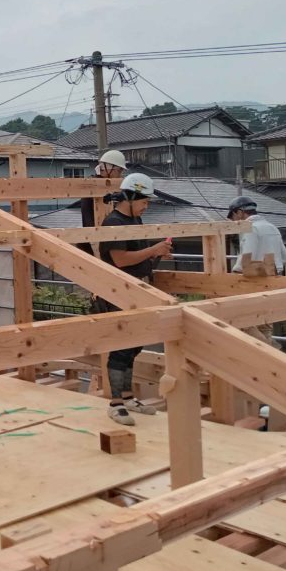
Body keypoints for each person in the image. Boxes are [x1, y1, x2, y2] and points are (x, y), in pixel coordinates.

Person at [93, 172, 174, 426]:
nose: (146, 206)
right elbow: (120, 259)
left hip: (137, 290)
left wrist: (157, 254)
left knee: (134, 346)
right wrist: (153, 249)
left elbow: (138, 256)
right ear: (129, 197)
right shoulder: (113, 223)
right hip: (118, 292)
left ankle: (127, 398)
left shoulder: (136, 220)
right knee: (120, 347)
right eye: (144, 201)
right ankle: (115, 404)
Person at [228, 195, 286, 347]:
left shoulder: (250, 228)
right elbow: (285, 257)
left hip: (256, 280)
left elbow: (245, 260)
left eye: (233, 217)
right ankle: (269, 348)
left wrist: (231, 279)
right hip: (275, 278)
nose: (234, 222)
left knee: (240, 319)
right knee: (265, 321)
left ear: (240, 212)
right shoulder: (272, 227)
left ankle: (267, 350)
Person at [78, 150, 127, 255]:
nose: (120, 174)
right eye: (119, 170)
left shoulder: (100, 183)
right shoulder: (95, 185)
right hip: (97, 240)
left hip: (98, 238)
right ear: (109, 169)